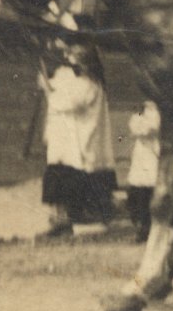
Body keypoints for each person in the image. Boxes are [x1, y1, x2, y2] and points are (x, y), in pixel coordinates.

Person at [39, 41, 116, 237]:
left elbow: (68, 102)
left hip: (81, 140)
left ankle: (80, 220)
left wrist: (48, 90)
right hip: (68, 140)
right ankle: (62, 220)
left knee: (75, 178)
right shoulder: (76, 80)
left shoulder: (89, 84)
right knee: (61, 175)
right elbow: (61, 89)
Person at [124, 103, 162, 242]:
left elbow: (152, 128)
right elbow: (135, 124)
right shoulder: (142, 112)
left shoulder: (162, 111)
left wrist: (144, 128)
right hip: (142, 154)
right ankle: (143, 226)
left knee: (155, 189)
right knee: (139, 190)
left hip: (157, 151)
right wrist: (140, 127)